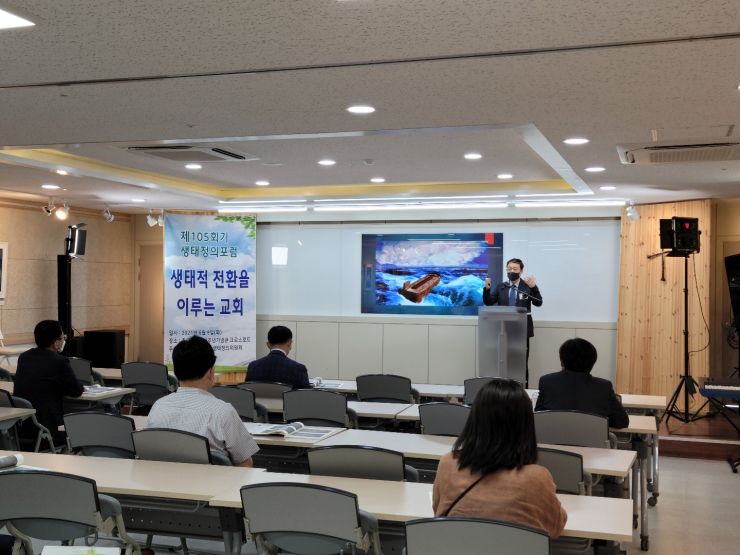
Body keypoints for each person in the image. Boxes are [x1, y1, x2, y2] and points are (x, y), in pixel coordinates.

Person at [432, 379, 567, 538]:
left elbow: (438, 512)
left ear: (475, 418)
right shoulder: (537, 478)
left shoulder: (448, 464)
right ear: (525, 424)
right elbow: (556, 527)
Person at [147, 335, 259, 467]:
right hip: (212, 480)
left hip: (164, 479)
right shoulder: (223, 412)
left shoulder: (158, 407)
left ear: (175, 372)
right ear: (211, 372)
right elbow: (245, 464)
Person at [13, 320, 84, 445]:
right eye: (63, 338)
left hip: (22, 427)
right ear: (56, 343)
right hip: (49, 428)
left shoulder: (24, 357)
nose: (64, 340)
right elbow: (77, 390)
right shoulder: (59, 361)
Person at [535, 338, 630, 429]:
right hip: (592, 440)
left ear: (562, 362)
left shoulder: (546, 382)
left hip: (553, 440)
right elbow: (622, 422)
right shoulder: (604, 387)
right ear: (592, 364)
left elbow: (538, 417)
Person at [483, 258, 542, 386]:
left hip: (522, 330)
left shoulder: (527, 286)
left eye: (515, 269)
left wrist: (534, 287)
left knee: (521, 362)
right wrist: (487, 289)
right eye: (509, 269)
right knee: (504, 360)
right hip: (503, 330)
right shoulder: (501, 286)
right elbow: (489, 302)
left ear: (521, 271)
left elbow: (538, 302)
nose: (512, 271)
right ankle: (503, 388)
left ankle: (523, 389)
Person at [246, 325, 310, 389]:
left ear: (268, 345)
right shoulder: (298, 368)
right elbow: (307, 394)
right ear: (289, 343)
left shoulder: (253, 366)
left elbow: (247, 392)